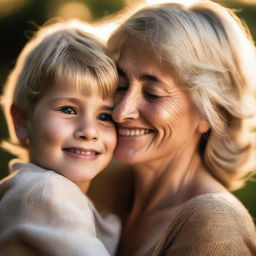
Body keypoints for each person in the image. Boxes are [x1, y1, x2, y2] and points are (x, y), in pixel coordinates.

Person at [90, 0, 256, 255]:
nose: (121, 112)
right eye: (121, 86)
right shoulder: (102, 184)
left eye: (153, 93)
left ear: (212, 113)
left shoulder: (215, 222)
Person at [0, 20, 120, 256]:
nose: (89, 131)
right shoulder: (46, 192)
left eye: (104, 116)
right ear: (22, 120)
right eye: (68, 109)